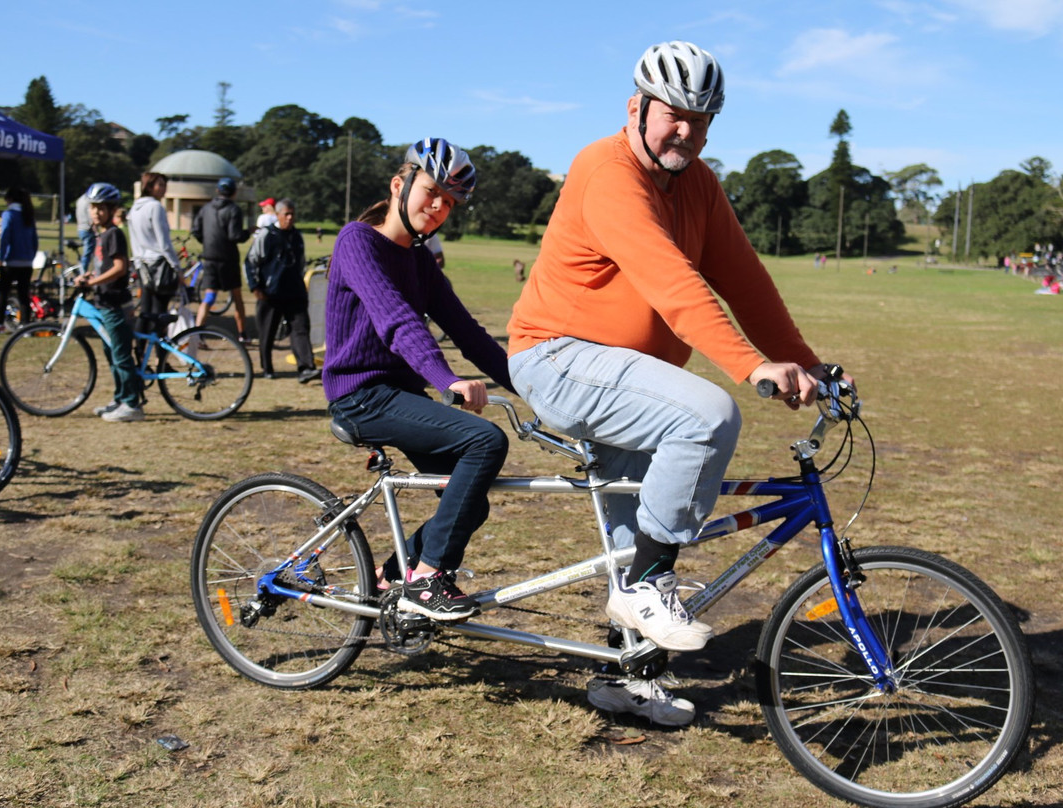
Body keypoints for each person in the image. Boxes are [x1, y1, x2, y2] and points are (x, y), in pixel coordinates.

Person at [507, 41, 852, 726]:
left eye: (704, 120)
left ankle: (626, 677)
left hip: (633, 378)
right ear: (636, 107)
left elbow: (745, 280)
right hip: (557, 356)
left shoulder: (699, 184)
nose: (688, 132)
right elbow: (673, 282)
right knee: (707, 416)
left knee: (636, 523)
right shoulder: (605, 170)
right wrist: (752, 366)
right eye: (675, 116)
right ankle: (644, 586)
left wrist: (802, 360)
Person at [323, 137, 514, 621]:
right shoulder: (357, 241)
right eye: (431, 192)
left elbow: (468, 332)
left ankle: (392, 578)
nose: (438, 207)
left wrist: (530, 385)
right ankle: (428, 578)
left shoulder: (420, 260)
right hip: (361, 394)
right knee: (485, 442)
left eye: (449, 203)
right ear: (399, 184)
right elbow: (396, 321)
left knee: (468, 503)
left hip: (399, 394)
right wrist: (446, 379)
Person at [76, 182, 145, 422]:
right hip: (105, 304)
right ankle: (120, 397)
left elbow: (119, 268)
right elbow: (103, 267)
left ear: (112, 209)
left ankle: (131, 405)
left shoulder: (113, 233)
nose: (96, 212)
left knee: (121, 355)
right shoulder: (101, 235)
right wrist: (90, 277)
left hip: (116, 305)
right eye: (93, 207)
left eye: (101, 208)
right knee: (112, 354)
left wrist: (93, 283)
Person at [245, 198, 319, 382]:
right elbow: (250, 261)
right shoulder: (267, 236)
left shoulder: (297, 236)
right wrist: (255, 287)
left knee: (300, 329)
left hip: (295, 292)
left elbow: (300, 262)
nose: (290, 217)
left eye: (293, 214)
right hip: (271, 293)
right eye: (286, 214)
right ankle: (267, 368)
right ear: (277, 215)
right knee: (267, 332)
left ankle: (306, 368)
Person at [191, 177, 250, 341]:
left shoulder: (206, 208)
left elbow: (195, 230)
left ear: (217, 191)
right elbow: (235, 235)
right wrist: (248, 232)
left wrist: (207, 242)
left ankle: (197, 333)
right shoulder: (234, 210)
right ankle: (242, 334)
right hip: (228, 259)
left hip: (209, 257)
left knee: (209, 297)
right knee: (237, 296)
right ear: (234, 192)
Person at [128, 172, 181, 354]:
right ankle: (161, 357)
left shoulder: (134, 207)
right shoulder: (155, 207)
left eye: (164, 184)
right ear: (149, 186)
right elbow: (164, 243)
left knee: (145, 310)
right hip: (159, 265)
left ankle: (139, 352)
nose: (163, 188)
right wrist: (177, 267)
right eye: (159, 185)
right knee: (160, 313)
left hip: (142, 265)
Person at [0, 187, 39, 334]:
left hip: (11, 261)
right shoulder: (28, 214)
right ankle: (26, 326)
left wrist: (1, 257)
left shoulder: (9, 214)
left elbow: (5, 238)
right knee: (24, 295)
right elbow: (35, 240)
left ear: (9, 199)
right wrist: (30, 256)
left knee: (3, 293)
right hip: (27, 262)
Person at [75, 190, 96, 270]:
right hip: (87, 229)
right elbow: (91, 216)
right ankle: (82, 271)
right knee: (88, 253)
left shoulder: (80, 200)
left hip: (80, 228)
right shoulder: (88, 201)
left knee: (87, 251)